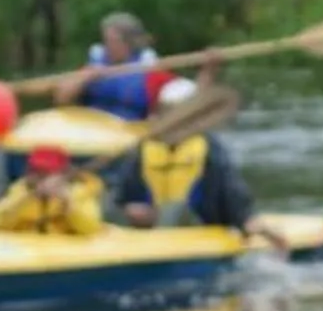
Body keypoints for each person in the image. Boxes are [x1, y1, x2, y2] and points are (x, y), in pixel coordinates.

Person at [102, 81, 260, 232]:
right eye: (167, 111)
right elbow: (120, 200)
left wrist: (246, 221)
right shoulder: (143, 150)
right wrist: (129, 210)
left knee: (176, 211)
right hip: (151, 236)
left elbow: (233, 198)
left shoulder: (210, 150)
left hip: (200, 232)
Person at [52, 12, 212, 123]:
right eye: (105, 40)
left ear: (127, 43)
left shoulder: (151, 73)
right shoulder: (94, 66)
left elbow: (193, 102)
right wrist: (86, 76)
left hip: (126, 135)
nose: (106, 46)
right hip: (90, 134)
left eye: (111, 40)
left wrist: (208, 70)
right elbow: (61, 99)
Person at [0, 144, 104, 236]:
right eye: (34, 170)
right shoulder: (21, 191)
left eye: (46, 172)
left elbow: (89, 227)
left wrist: (67, 202)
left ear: (62, 173)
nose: (38, 176)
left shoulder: (79, 193)